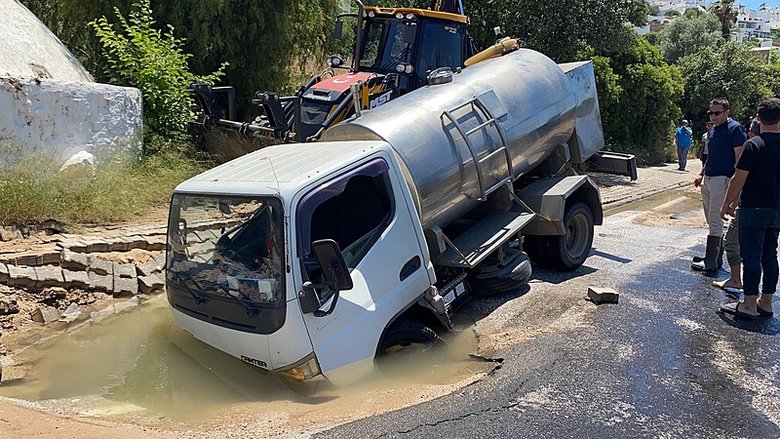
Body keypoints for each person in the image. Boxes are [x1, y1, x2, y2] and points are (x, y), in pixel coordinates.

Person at [719, 98, 780, 319]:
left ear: (758, 118)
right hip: (776, 210)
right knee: (770, 254)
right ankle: (767, 302)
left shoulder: (754, 145)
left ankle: (749, 304)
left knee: (751, 255)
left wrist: (727, 202)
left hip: (754, 208)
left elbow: (738, 179)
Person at [692, 98, 747, 275]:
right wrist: (701, 173)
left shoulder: (735, 129)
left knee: (716, 220)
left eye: (717, 113)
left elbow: (740, 158)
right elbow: (710, 155)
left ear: (727, 112)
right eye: (711, 113)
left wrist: (735, 183)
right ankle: (714, 257)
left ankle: (712, 261)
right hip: (709, 178)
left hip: (722, 179)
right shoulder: (714, 129)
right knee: (710, 219)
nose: (713, 116)